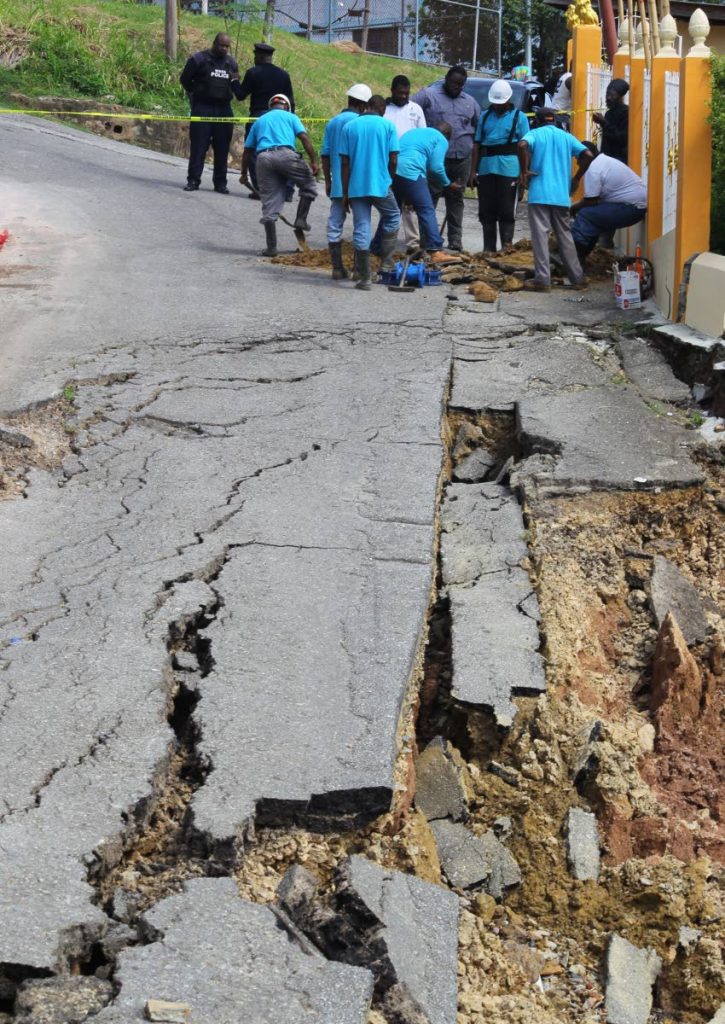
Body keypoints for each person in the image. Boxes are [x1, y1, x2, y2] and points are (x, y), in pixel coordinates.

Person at [517, 108, 594, 291]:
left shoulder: (535, 133)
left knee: (540, 236)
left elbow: (521, 145)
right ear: (555, 120)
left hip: (539, 194)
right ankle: (577, 278)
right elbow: (588, 155)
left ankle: (543, 280)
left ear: (537, 120)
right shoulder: (566, 136)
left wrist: (524, 170)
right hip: (561, 195)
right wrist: (576, 178)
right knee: (565, 235)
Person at [412, 66, 481, 251]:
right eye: (454, 83)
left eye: (461, 85)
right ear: (446, 79)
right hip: (437, 158)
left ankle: (455, 240)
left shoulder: (470, 102)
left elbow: (477, 130)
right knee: (430, 198)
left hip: (462, 159)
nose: (457, 87)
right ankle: (427, 240)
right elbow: (410, 110)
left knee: (456, 199)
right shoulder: (428, 95)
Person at [241, 94, 318, 257]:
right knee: (309, 184)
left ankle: (271, 248)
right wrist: (313, 161)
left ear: (270, 106)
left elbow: (247, 151)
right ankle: (301, 219)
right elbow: (303, 137)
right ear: (287, 106)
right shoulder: (291, 117)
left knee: (269, 203)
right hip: (286, 155)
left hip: (263, 159)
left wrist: (243, 174)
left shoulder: (260, 120)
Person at [372, 124, 460, 264]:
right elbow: (435, 167)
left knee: (392, 212)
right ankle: (435, 250)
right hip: (412, 172)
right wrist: (447, 183)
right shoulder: (441, 139)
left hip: (393, 171)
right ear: (448, 135)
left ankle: (377, 248)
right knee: (426, 210)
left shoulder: (414, 132)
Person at [340, 95, 400, 291]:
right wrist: (389, 180)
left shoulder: (350, 126)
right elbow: (393, 159)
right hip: (380, 185)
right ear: (382, 109)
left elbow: (344, 163)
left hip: (356, 187)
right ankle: (386, 262)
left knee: (362, 226)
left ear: (367, 107)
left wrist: (346, 192)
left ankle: (364, 277)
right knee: (392, 216)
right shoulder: (388, 126)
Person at [468, 79, 529, 251]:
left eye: (501, 103)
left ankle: (506, 248)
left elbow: (525, 146)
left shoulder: (520, 117)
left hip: (509, 169)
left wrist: (523, 173)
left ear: (509, 100)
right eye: (495, 103)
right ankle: (488, 249)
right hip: (487, 169)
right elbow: (477, 144)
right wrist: (473, 171)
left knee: (506, 211)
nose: (498, 106)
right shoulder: (485, 116)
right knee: (486, 211)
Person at [179, 32, 244, 193]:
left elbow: (236, 85)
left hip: (224, 109)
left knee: (222, 148)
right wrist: (195, 95)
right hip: (203, 107)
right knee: (199, 147)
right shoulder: (199, 59)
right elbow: (185, 80)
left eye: (227, 46)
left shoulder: (231, 63)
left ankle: (220, 183)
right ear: (214, 43)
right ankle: (193, 180)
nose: (224, 48)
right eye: (221, 45)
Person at [320, 83, 372, 280]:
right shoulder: (361, 122)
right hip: (358, 185)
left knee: (334, 223)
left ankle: (337, 267)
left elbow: (325, 155)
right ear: (362, 105)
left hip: (338, 185)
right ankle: (359, 270)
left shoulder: (333, 122)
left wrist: (328, 181)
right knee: (361, 224)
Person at [570, 141, 647, 263]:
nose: (578, 163)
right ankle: (580, 258)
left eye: (578, 159)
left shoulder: (594, 169)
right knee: (593, 219)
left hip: (632, 208)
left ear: (587, 156)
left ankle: (573, 256)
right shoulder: (604, 161)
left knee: (585, 215)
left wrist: (574, 208)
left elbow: (591, 201)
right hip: (635, 206)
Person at [238, 42, 296, 195]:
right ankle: (287, 191)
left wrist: (234, 81)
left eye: (255, 55)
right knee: (284, 152)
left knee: (254, 152)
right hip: (281, 117)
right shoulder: (283, 75)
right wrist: (290, 121)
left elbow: (240, 95)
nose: (254, 58)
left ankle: (261, 189)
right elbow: (291, 101)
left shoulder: (253, 73)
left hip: (259, 117)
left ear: (260, 56)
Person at [384, 75, 426, 251]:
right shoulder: (384, 109)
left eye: (407, 93)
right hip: (387, 163)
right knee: (389, 204)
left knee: (410, 205)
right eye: (400, 93)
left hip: (410, 164)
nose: (403, 96)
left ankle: (413, 243)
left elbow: (423, 137)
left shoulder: (416, 109)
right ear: (392, 91)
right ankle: (386, 241)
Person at [592, 79, 629, 164]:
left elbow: (621, 138)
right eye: (607, 94)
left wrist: (604, 123)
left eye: (612, 95)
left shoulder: (626, 113)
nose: (608, 98)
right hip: (607, 159)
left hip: (619, 161)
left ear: (620, 97)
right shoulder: (609, 113)